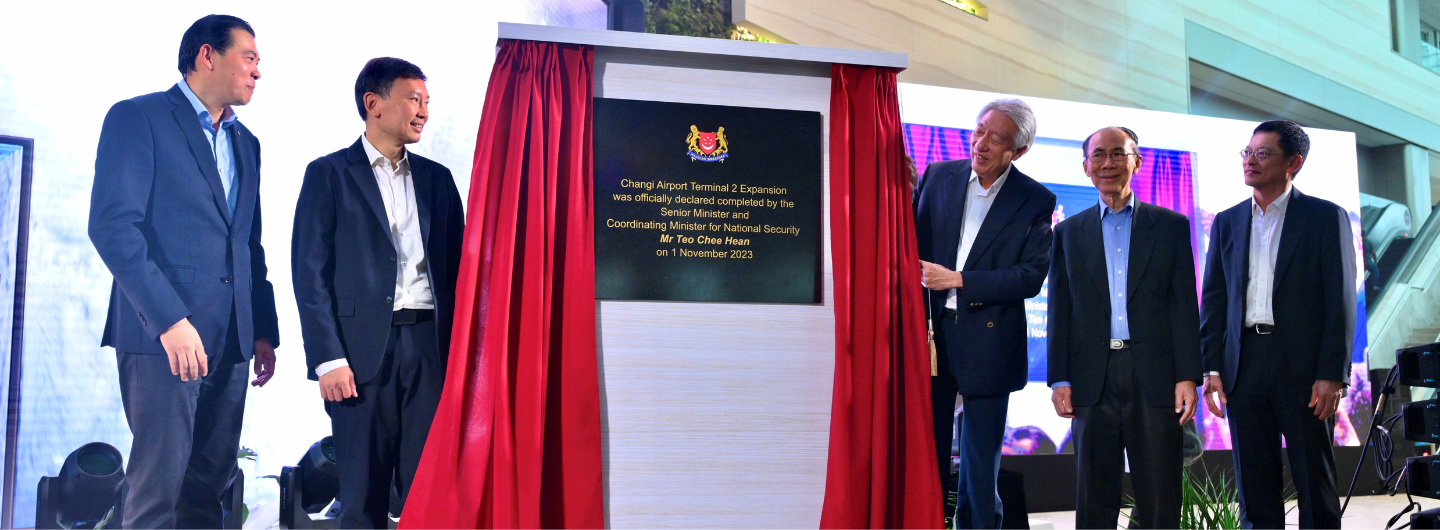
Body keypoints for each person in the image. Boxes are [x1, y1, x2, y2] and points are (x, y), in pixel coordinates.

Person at [88, 14, 278, 528]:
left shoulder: (247, 143)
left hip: (233, 341)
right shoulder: (138, 118)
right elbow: (112, 228)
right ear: (206, 56)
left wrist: (262, 329)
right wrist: (170, 321)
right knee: (157, 490)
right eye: (250, 57)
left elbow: (248, 244)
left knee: (210, 490)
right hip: (162, 337)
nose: (258, 72)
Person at [292, 57, 465, 529]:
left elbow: (459, 272)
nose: (424, 111)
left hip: (429, 350)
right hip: (360, 355)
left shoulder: (438, 180)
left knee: (430, 488)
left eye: (428, 102)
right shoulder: (328, 175)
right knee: (363, 494)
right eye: (413, 98)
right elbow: (309, 276)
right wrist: (328, 359)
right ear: (374, 104)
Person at [1200, 120, 1356, 529]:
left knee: (1313, 480)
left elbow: (1339, 301)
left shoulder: (1324, 216)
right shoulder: (1228, 221)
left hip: (1303, 370)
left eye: (1262, 153)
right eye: (1247, 152)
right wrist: (1212, 367)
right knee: (1254, 482)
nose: (1250, 161)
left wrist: (1331, 374)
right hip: (1243, 364)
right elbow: (1214, 300)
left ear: (1294, 162)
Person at [1047, 126, 1202, 528]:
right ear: (1085, 166)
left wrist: (1187, 376)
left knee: (1159, 491)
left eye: (1119, 154)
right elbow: (1060, 310)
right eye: (1099, 155)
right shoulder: (1067, 233)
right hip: (1090, 376)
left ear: (1136, 161)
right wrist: (1059, 378)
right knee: (1094, 493)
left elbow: (1183, 306)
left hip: (1153, 372)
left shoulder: (1170, 226)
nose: (1109, 163)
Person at [915, 98, 1056, 528]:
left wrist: (959, 280)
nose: (981, 143)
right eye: (979, 131)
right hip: (932, 336)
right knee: (928, 452)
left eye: (996, 139)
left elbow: (1029, 277)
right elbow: (911, 242)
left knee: (979, 466)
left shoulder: (1034, 198)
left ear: (1019, 150)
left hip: (990, 341)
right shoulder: (939, 175)